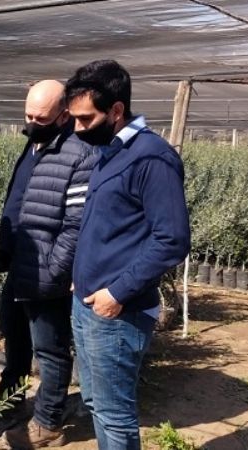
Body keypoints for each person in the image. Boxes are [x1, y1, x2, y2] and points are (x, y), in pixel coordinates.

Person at [67, 60, 191, 450]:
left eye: (86, 119)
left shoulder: (151, 158)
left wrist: (117, 292)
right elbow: (111, 226)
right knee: (94, 402)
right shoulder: (111, 151)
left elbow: (172, 239)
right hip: (87, 302)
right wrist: (82, 273)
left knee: (114, 416)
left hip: (118, 312)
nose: (77, 129)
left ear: (117, 111)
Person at [0, 80, 99, 448]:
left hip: (48, 271)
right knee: (16, 342)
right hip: (20, 265)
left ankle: (48, 421)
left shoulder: (79, 155)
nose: (31, 122)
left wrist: (57, 270)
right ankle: (10, 404)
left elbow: (76, 224)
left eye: (40, 117)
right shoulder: (34, 144)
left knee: (51, 349)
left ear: (63, 114)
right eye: (27, 115)